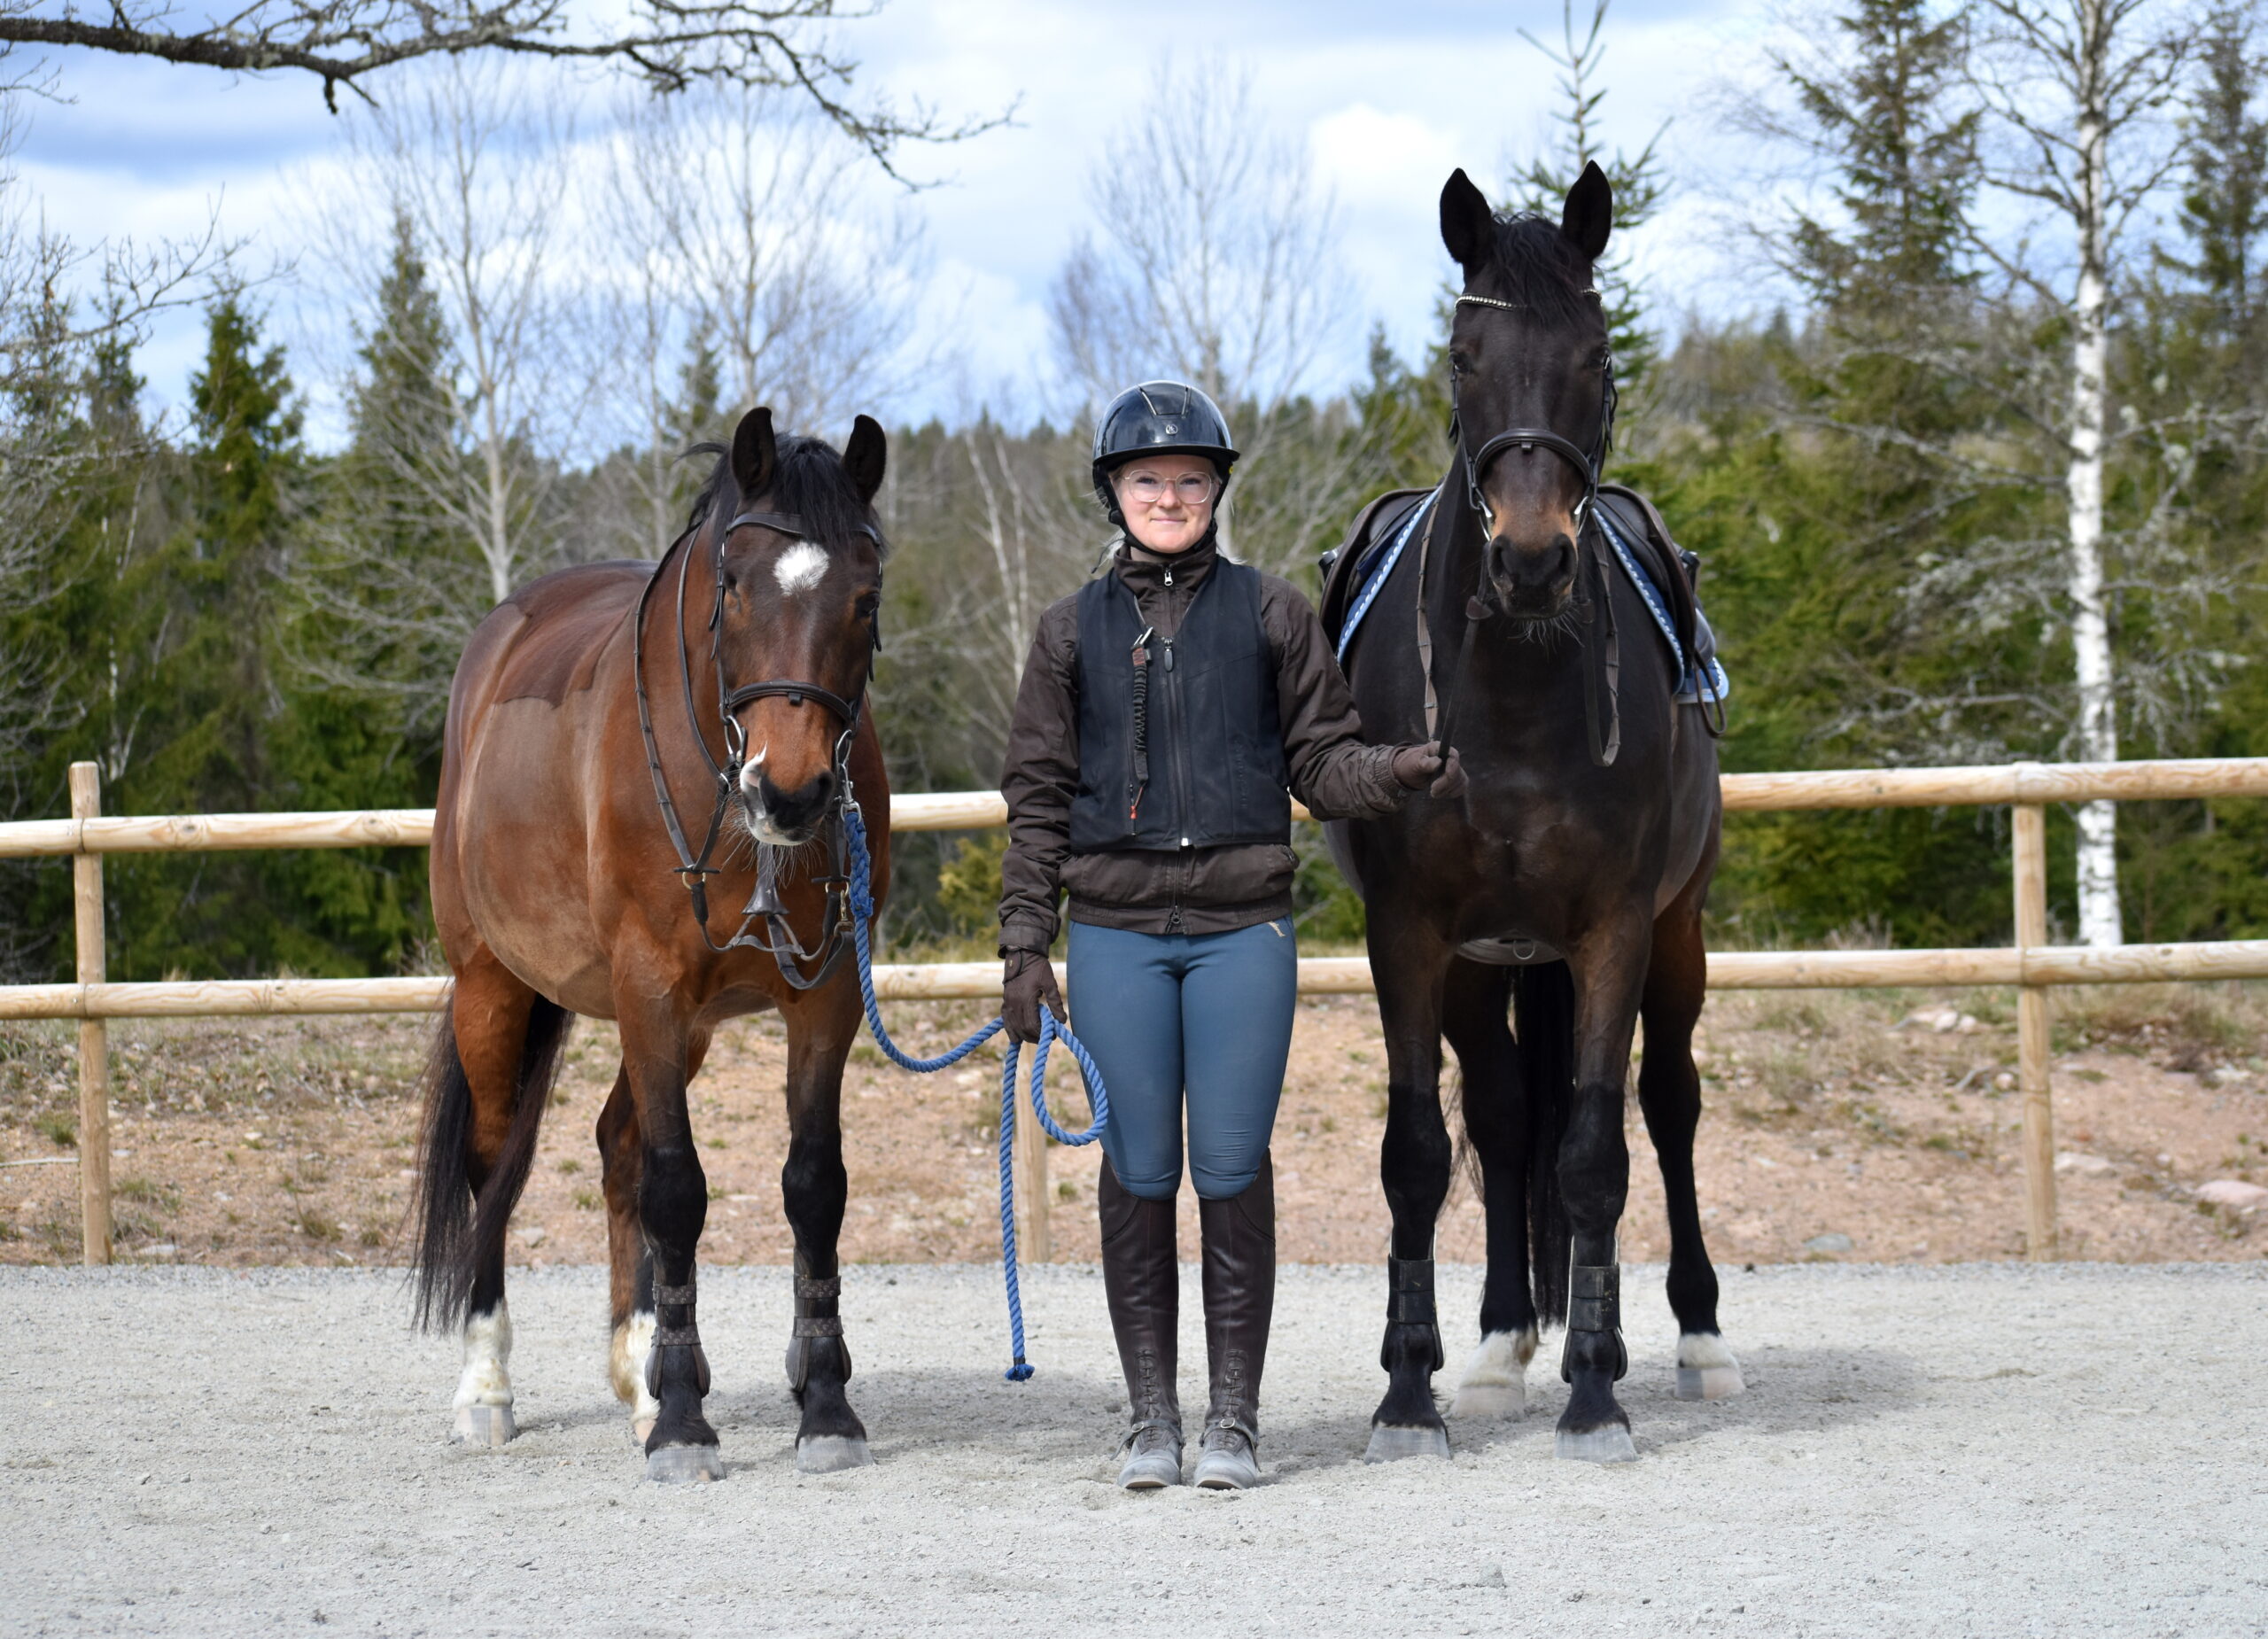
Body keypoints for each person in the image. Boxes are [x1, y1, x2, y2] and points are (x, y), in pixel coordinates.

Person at [997, 380, 1465, 1491]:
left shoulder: (1273, 614)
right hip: (1114, 932)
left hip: (1240, 930)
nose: (1169, 496)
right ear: (1115, 492)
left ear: (1215, 491)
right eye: (1147, 479)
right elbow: (1038, 798)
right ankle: (1151, 1419)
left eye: (1189, 479)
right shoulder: (1067, 631)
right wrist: (1023, 944)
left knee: (1228, 1164)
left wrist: (1395, 770)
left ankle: (1235, 1422)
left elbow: (1323, 762)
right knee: (1138, 1168)